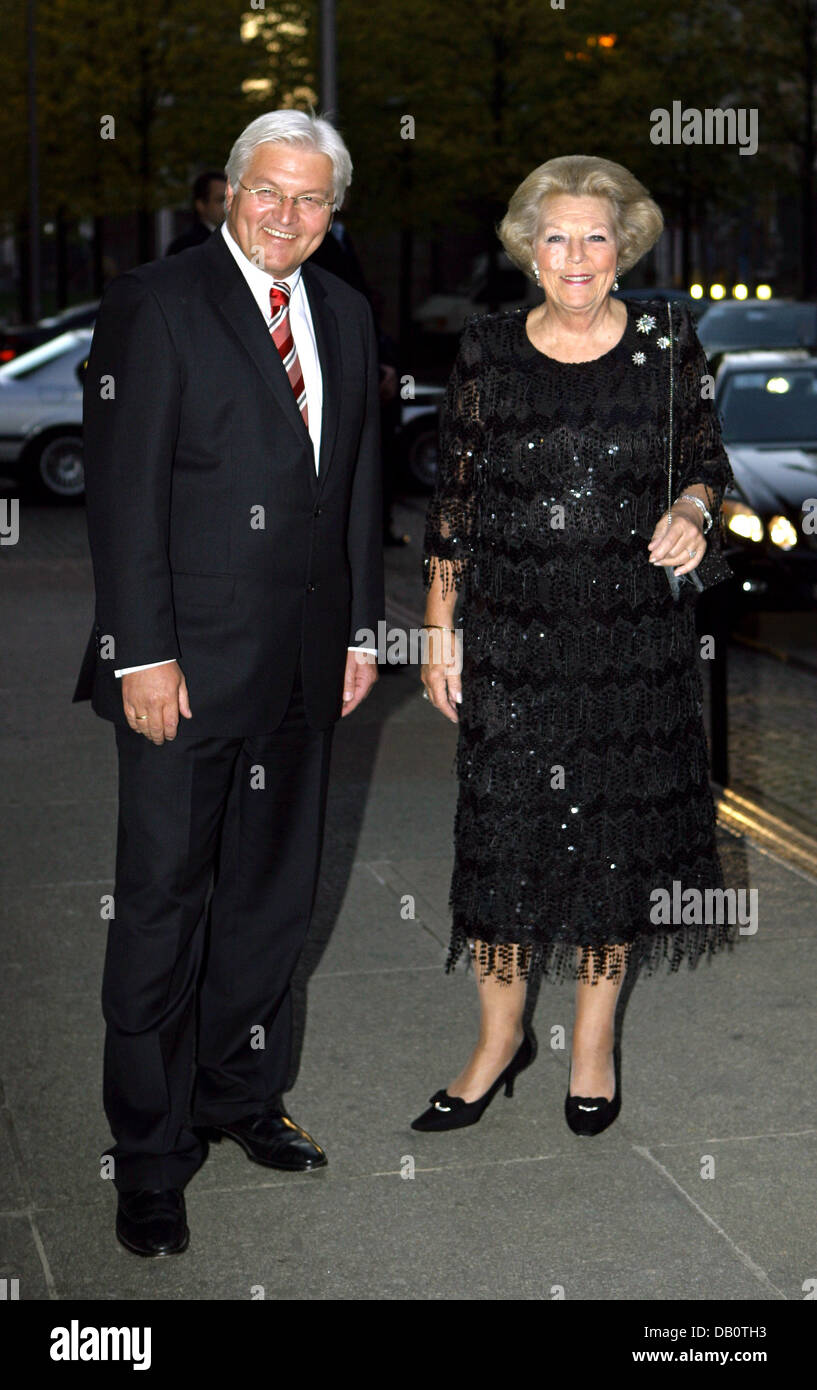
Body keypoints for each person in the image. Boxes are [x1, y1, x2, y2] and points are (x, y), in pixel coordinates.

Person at [73, 110, 384, 1255]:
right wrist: (139, 653)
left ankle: (240, 1098)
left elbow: (349, 488)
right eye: (269, 192)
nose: (287, 216)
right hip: (183, 674)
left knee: (267, 905)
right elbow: (122, 495)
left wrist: (359, 631)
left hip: (305, 669)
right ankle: (150, 1155)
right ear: (229, 191)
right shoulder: (158, 304)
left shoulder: (344, 314)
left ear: (331, 211)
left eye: (311, 200)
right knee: (161, 909)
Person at [413, 155, 735, 1137]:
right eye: (557, 236)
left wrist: (690, 503)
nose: (577, 255)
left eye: (596, 235)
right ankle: (498, 1037)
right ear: (528, 250)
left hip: (634, 645)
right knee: (503, 845)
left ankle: (590, 1044)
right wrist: (437, 627)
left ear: (622, 245)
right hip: (513, 638)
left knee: (610, 850)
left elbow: (708, 463)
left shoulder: (669, 342)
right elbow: (456, 502)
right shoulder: (489, 350)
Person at [165, 170, 227, 254]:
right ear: (201, 205)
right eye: (221, 200)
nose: (228, 205)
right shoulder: (186, 246)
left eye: (231, 199)